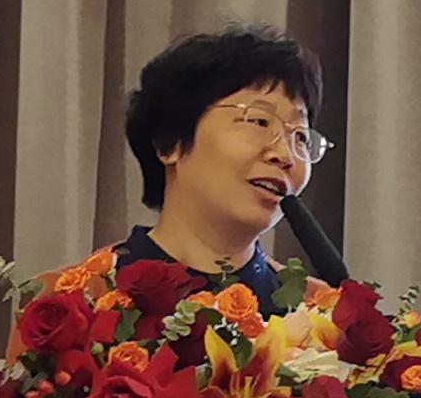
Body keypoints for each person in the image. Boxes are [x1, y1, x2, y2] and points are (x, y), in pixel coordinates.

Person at [115, 26, 331, 295]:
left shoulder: (320, 310)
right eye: (259, 121)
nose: (285, 155)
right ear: (169, 143)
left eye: (300, 137)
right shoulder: (82, 299)